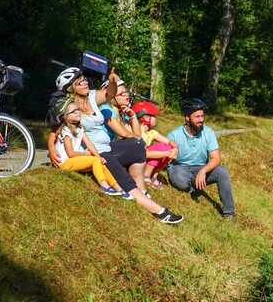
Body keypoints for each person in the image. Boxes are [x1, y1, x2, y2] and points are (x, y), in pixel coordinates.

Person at [54, 67, 184, 224]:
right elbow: (55, 130)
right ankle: (159, 211)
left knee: (137, 144)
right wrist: (51, 149)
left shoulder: (93, 97)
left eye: (84, 79)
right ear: (71, 88)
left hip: (107, 147)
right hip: (95, 153)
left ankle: (141, 189)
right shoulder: (70, 107)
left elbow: (110, 93)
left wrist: (113, 81)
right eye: (79, 82)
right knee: (121, 174)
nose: (85, 82)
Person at [167, 98, 235, 219]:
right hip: (180, 167)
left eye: (202, 116)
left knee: (222, 172)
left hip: (201, 167)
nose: (201, 120)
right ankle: (193, 187)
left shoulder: (208, 132)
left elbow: (216, 158)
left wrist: (203, 171)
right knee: (181, 181)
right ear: (187, 118)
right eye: (197, 117)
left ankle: (229, 213)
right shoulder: (174, 135)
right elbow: (164, 158)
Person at [50, 97, 123, 196]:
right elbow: (71, 154)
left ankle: (118, 188)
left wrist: (98, 156)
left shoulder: (79, 128)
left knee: (100, 163)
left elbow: (89, 144)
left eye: (78, 110)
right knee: (94, 161)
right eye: (73, 112)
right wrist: (86, 154)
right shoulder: (66, 131)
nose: (77, 113)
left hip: (71, 161)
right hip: (63, 164)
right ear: (64, 117)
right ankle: (105, 186)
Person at [131, 100, 178, 190]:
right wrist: (167, 153)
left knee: (167, 147)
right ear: (145, 117)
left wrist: (175, 148)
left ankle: (153, 176)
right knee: (161, 147)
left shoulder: (152, 133)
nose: (156, 119)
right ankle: (146, 176)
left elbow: (168, 142)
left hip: (146, 159)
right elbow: (144, 153)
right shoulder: (137, 133)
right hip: (138, 159)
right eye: (154, 116)